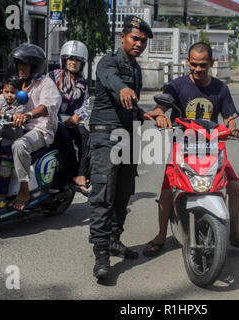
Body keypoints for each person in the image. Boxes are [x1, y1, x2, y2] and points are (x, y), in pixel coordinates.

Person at [143, 42, 239, 259]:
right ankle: (160, 236)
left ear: (211, 64)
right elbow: (162, 106)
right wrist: (159, 115)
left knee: (234, 187)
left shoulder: (220, 88)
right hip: (182, 146)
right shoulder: (177, 85)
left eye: (203, 65)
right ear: (188, 62)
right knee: (167, 192)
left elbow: (229, 117)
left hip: (212, 147)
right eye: (194, 64)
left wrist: (233, 128)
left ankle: (234, 233)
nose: (198, 69)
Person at [87, 15, 154, 280]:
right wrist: (124, 88)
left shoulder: (136, 68)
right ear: (123, 38)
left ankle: (114, 239)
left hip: (128, 135)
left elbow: (130, 105)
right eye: (135, 38)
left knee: (125, 191)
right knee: (104, 194)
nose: (139, 43)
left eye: (143, 41)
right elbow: (113, 81)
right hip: (106, 136)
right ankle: (101, 253)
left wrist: (143, 113)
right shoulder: (108, 62)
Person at [7, 43, 62, 211]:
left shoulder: (45, 83)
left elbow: (47, 106)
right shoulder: (18, 84)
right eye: (18, 64)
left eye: (25, 64)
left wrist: (28, 115)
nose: (20, 67)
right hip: (17, 128)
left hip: (39, 129)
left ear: (34, 66)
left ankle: (24, 191)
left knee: (19, 146)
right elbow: (0, 99)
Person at [49, 40, 90, 196]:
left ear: (82, 63)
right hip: (52, 120)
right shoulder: (52, 77)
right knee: (63, 136)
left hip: (72, 121)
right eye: (71, 59)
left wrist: (77, 115)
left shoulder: (83, 83)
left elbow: (85, 104)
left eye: (78, 60)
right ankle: (71, 173)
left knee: (86, 136)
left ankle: (81, 174)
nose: (73, 62)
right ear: (64, 60)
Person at [0, 76, 26, 209]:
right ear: (2, 91)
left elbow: (15, 120)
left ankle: (2, 195)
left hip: (11, 142)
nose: (9, 95)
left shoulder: (21, 105)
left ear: (19, 93)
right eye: (6, 92)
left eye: (13, 92)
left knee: (4, 166)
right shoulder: (0, 99)